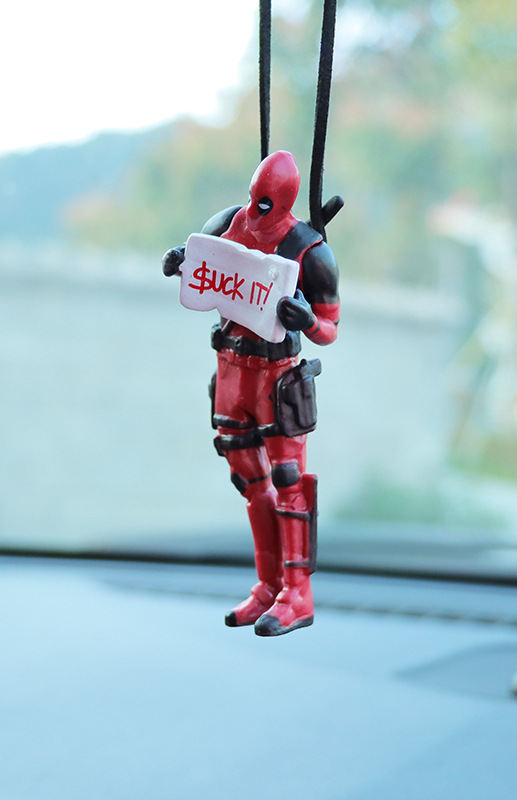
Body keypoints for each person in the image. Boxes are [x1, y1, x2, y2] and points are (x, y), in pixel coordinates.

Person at [162, 150, 340, 636]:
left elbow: (330, 327)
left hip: (275, 374)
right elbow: (199, 267)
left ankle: (297, 594)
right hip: (230, 367)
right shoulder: (226, 224)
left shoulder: (310, 251)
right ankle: (268, 585)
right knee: (247, 477)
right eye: (253, 197)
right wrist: (178, 263)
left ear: (285, 200)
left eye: (267, 201)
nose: (256, 210)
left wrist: (306, 320)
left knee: (288, 480)